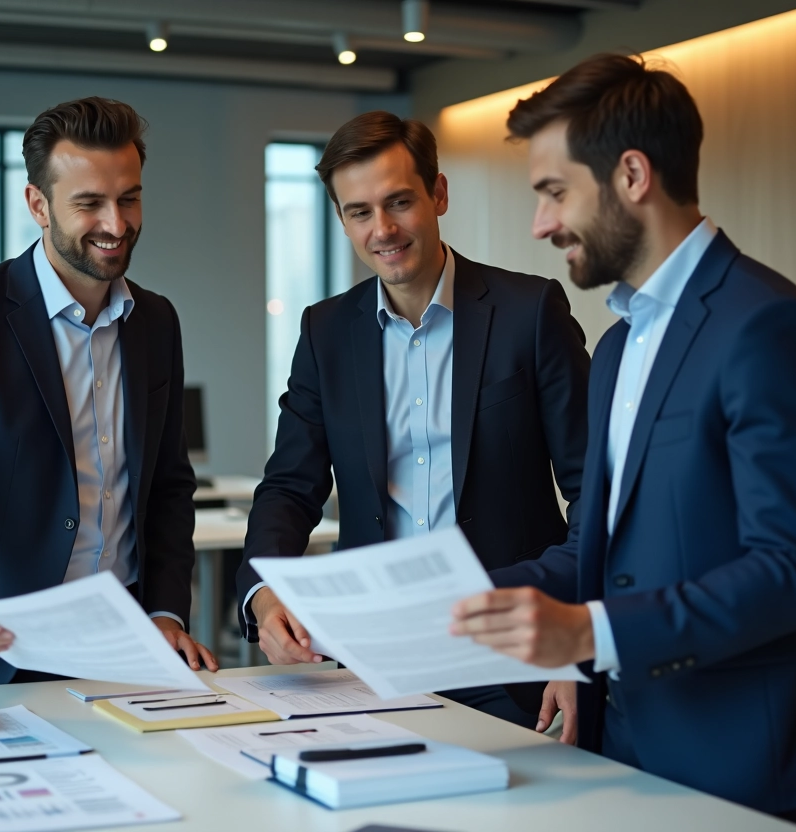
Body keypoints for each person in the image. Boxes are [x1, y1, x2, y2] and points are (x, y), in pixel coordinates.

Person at [450, 53, 796, 823]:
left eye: (554, 193)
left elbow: (793, 570)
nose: (540, 224)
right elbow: (597, 552)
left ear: (632, 175)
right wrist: (473, 593)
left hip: (742, 771)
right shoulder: (616, 347)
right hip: (623, 747)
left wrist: (588, 629)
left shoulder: (766, 327)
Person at [236, 111, 591, 727]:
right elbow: (290, 487)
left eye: (399, 201)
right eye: (360, 212)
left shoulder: (529, 313)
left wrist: (578, 639)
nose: (384, 229)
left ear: (439, 193)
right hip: (374, 661)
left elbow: (594, 490)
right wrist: (263, 595)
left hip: (511, 660)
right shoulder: (325, 332)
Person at [0, 97, 216, 688]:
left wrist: (166, 611)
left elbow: (168, 485)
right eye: (89, 204)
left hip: (123, 652)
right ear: (38, 204)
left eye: (129, 198)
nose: (116, 225)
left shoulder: (156, 320)